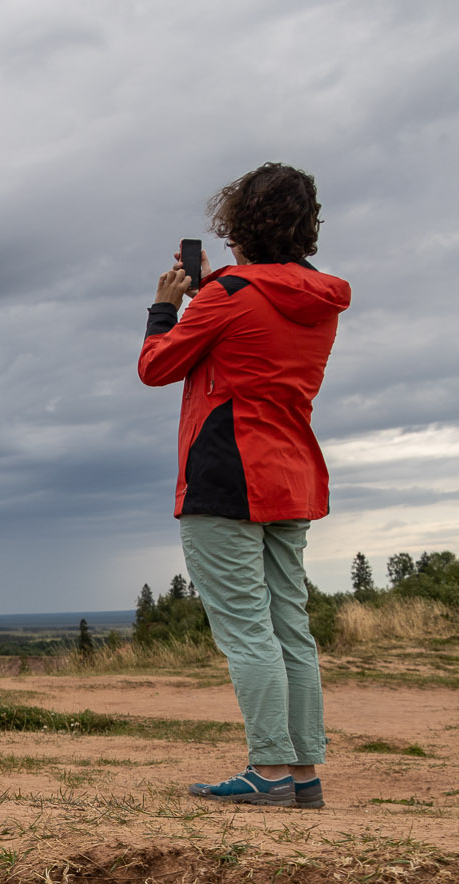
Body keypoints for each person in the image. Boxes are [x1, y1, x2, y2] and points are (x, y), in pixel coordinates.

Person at [137, 163, 351, 808]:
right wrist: (214, 291)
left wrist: (167, 305)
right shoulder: (319, 299)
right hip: (291, 474)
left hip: (225, 472)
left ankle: (268, 773)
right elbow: (255, 328)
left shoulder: (228, 294)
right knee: (290, 626)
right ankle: (303, 776)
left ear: (239, 228)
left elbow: (157, 366)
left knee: (246, 632)